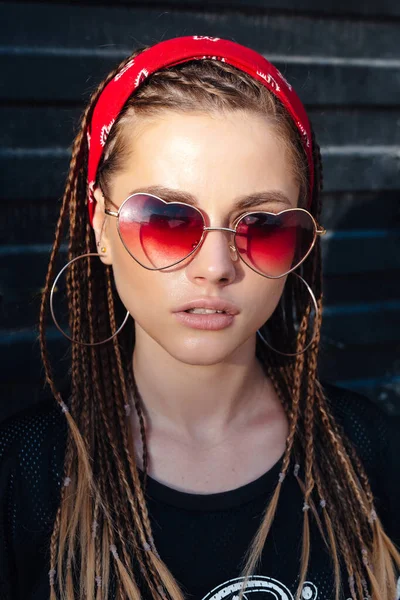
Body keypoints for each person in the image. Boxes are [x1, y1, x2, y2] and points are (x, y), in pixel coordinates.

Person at [0, 35, 399, 600]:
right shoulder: (24, 476)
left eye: (261, 226)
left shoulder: (367, 450)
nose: (215, 268)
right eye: (165, 220)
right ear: (100, 226)